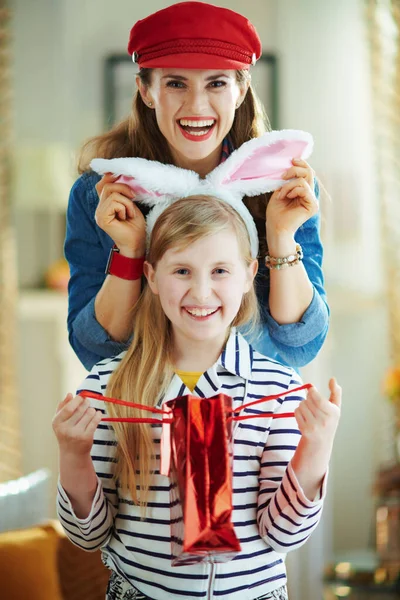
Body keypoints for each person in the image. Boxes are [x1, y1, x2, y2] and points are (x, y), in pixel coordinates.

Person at [54, 190, 341, 600]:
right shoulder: (106, 388)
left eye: (220, 271)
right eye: (182, 271)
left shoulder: (279, 391)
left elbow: (283, 534)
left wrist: (315, 448)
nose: (202, 293)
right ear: (151, 277)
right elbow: (89, 534)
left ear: (248, 275)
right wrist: (73, 454)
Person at [65, 1, 329, 371]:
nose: (196, 105)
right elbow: (96, 350)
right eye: (175, 83)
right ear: (146, 90)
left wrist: (281, 236)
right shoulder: (101, 195)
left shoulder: (282, 186)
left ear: (240, 90)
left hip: (255, 414)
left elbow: (300, 343)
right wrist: (130, 251)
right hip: (145, 413)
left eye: (216, 83)